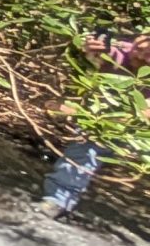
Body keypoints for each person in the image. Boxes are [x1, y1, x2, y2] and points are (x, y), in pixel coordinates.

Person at [42, 31, 150, 218]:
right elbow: (93, 58)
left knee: (95, 139)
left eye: (148, 56)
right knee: (90, 141)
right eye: (138, 49)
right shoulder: (118, 52)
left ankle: (60, 199)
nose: (138, 56)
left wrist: (79, 114)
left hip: (135, 132)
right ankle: (58, 200)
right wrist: (88, 50)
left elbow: (139, 116)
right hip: (103, 121)